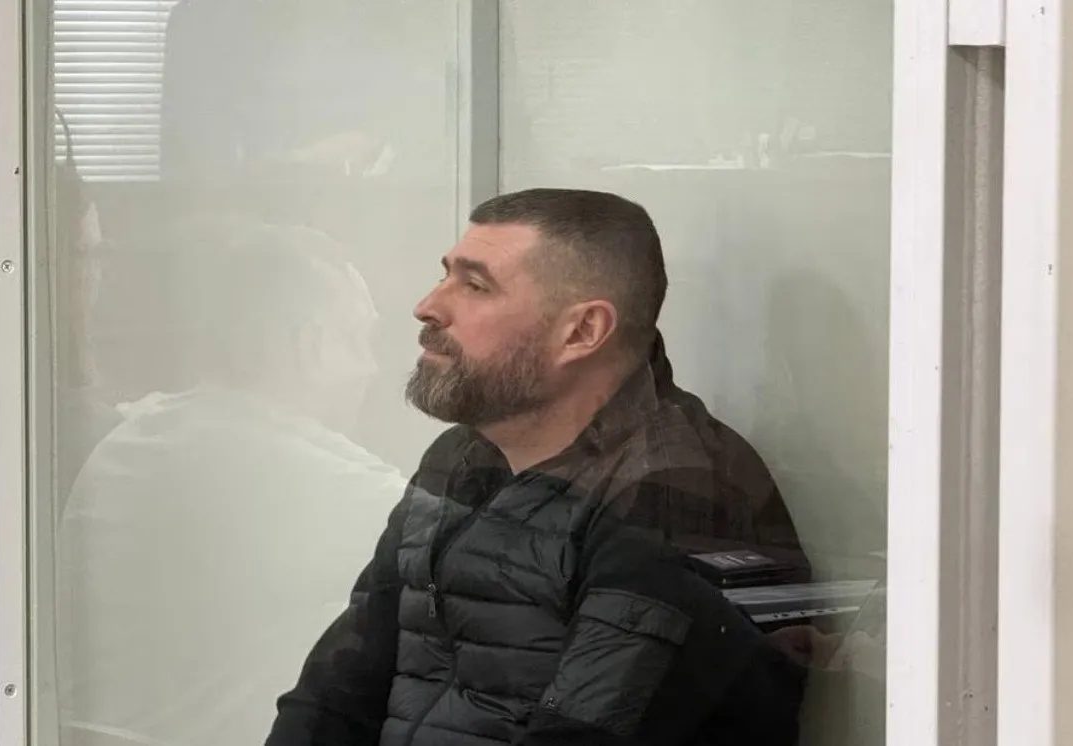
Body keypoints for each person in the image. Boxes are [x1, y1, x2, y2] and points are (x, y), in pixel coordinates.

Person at [265, 189, 806, 746]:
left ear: (582, 332)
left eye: (475, 286)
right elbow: (332, 696)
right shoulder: (459, 458)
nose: (428, 305)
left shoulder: (669, 490)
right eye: (446, 275)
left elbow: (588, 736)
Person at [56, 219, 406, 746]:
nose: (372, 369)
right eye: (359, 339)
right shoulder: (309, 481)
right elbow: (487, 551)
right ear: (310, 345)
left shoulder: (135, 438)